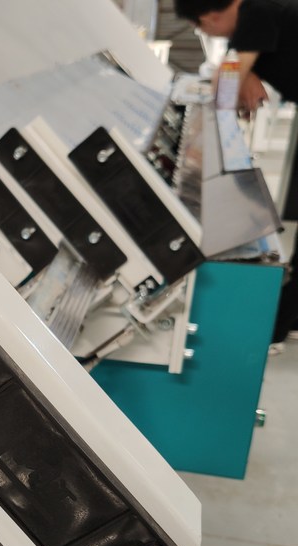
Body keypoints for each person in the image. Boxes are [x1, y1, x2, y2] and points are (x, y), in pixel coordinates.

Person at [175, 0, 298, 346]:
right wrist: (246, 73)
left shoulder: (256, 11)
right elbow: (232, 71)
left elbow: (226, 82)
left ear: (210, 17)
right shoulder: (259, 20)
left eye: (202, 28)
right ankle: (285, 322)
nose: (208, 34)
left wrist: (211, 141)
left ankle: (273, 329)